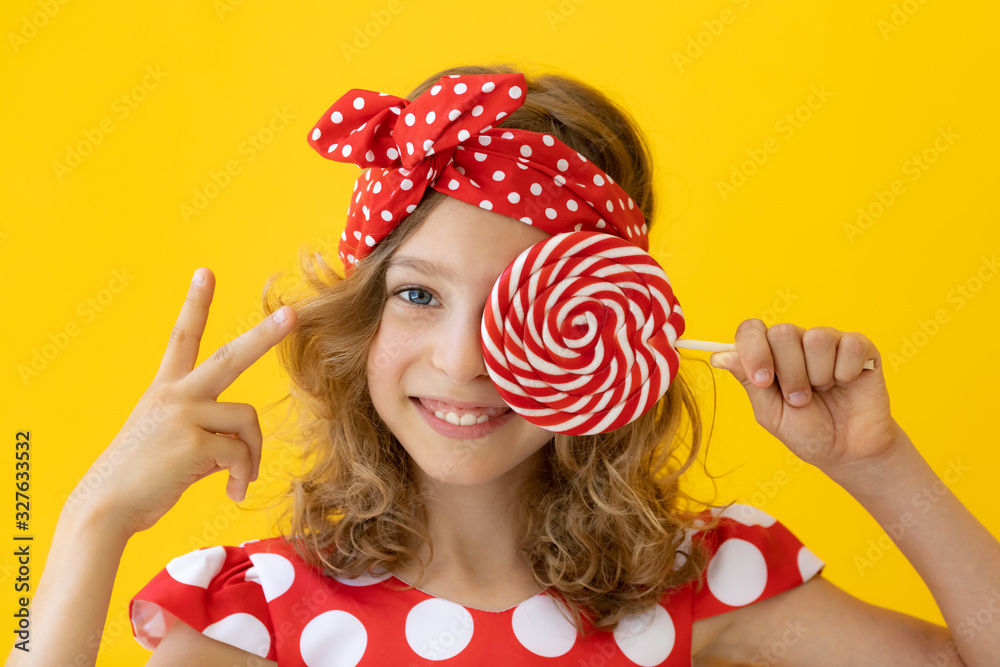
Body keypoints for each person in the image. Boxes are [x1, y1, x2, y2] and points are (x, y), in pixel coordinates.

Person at [9, 64, 999, 667]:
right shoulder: (263, 620)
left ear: (606, 329)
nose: (463, 357)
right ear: (363, 323)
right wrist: (94, 521)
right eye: (419, 294)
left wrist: (876, 461)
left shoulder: (696, 584)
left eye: (521, 300)